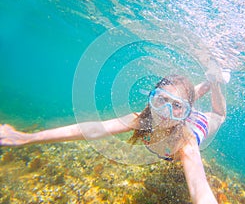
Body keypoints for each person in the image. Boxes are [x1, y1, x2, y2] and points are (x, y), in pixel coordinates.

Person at [0, 73, 227, 204]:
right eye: (160, 101)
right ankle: (206, 82)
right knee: (176, 98)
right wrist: (27, 137)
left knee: (220, 115)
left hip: (200, 125)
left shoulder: (185, 143)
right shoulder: (142, 119)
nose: (164, 113)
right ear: (151, 100)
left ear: (187, 111)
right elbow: (90, 129)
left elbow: (199, 187)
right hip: (183, 115)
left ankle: (213, 83)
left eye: (177, 107)